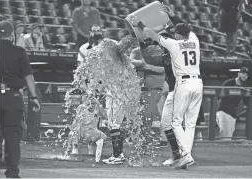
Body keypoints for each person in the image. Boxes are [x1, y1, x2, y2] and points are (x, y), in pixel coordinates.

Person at [131, 4, 203, 169]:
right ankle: (185, 155)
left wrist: (139, 24)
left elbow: (151, 33)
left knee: (176, 122)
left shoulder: (173, 45)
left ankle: (185, 155)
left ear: (177, 35)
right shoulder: (195, 40)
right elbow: (188, 30)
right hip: (198, 83)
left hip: (182, 84)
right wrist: (173, 16)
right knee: (188, 124)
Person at [65, 29, 142, 165]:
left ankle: (117, 155)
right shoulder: (115, 53)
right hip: (124, 90)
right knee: (116, 123)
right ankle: (120, 153)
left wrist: (133, 34)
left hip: (116, 91)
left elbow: (123, 46)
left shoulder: (106, 48)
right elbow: (127, 54)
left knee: (114, 124)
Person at [0, 20, 40, 178]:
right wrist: (34, 97)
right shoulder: (20, 51)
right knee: (12, 136)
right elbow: (28, 76)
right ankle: (12, 173)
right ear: (12, 35)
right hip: (12, 96)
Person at [66, 24, 105, 155]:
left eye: (99, 31)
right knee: (80, 117)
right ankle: (74, 146)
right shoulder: (84, 48)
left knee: (95, 119)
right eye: (94, 31)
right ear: (90, 33)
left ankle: (91, 146)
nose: (97, 33)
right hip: (85, 87)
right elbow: (79, 71)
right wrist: (85, 89)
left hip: (99, 87)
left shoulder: (105, 47)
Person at [130, 38, 166, 149]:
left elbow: (163, 69)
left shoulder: (159, 52)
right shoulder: (138, 51)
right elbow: (130, 62)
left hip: (155, 88)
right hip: (143, 88)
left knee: (149, 115)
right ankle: (145, 138)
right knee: (144, 114)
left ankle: (148, 139)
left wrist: (145, 66)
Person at [216, 67, 249, 140]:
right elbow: (219, 97)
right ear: (238, 73)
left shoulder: (243, 87)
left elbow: (246, 102)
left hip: (233, 114)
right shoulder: (229, 82)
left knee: (228, 137)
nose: (245, 76)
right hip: (223, 112)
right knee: (225, 137)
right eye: (243, 73)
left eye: (246, 75)